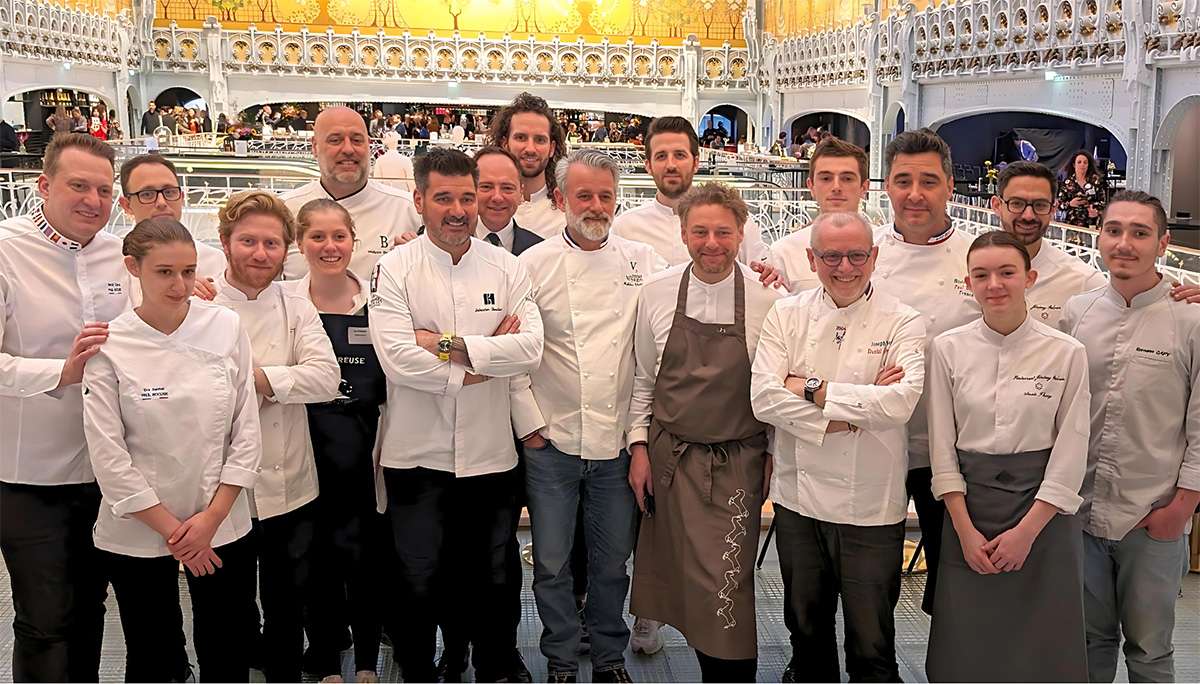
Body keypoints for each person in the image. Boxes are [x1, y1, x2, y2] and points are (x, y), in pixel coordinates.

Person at [369, 148, 544, 682]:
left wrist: (441, 345)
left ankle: (492, 664)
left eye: (466, 198)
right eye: (444, 198)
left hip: (490, 455)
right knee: (418, 575)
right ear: (419, 200)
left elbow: (531, 348)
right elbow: (397, 360)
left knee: (490, 572)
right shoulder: (394, 269)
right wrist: (478, 362)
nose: (458, 209)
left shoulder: (509, 267)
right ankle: (419, 669)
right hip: (415, 454)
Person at [512, 149, 668, 683]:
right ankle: (559, 659)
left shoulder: (643, 262)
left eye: (605, 195)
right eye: (584, 196)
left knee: (609, 563)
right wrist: (528, 422)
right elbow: (512, 352)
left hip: (618, 443)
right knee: (552, 563)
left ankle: (606, 659)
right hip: (551, 441)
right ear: (560, 200)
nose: (596, 206)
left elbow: (659, 344)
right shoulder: (529, 267)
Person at [82, 217, 261, 682]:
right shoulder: (110, 343)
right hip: (139, 531)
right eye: (164, 272)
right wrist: (178, 534)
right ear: (132, 268)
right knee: (153, 653)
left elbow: (246, 431)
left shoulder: (224, 326)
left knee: (226, 649)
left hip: (221, 522)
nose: (180, 285)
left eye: (188, 271)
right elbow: (108, 454)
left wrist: (210, 521)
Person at [751, 211, 926, 682]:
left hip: (871, 503)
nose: (844, 266)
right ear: (812, 258)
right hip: (798, 500)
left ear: (873, 257)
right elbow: (763, 397)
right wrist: (848, 418)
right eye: (831, 256)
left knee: (872, 642)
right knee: (806, 631)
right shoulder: (786, 313)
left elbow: (899, 404)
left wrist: (808, 388)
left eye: (855, 256)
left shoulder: (903, 320)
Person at [628, 182, 784, 682]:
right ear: (683, 233)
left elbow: (777, 389)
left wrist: (774, 454)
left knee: (727, 584)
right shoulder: (655, 293)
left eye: (722, 231)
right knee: (681, 576)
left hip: (737, 460)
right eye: (700, 231)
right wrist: (638, 448)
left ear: (741, 234)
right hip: (671, 459)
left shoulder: (768, 298)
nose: (711, 242)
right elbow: (643, 380)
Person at [925, 230, 1089, 681]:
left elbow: (1071, 452)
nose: (994, 283)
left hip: (1045, 517)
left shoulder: (1066, 352)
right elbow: (942, 449)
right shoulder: (948, 349)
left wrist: (1027, 532)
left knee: (1044, 645)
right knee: (967, 645)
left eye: (1006, 272)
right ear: (969, 284)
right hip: (970, 513)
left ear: (1029, 277)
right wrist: (964, 530)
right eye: (981, 275)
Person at [1060, 191, 1200, 682]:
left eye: (1140, 233)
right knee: (1086, 642)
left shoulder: (1191, 319)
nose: (1125, 243)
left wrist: (1180, 509)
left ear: (1163, 243)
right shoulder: (1075, 313)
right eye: (1114, 230)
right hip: (1080, 513)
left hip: (1152, 514)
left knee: (1150, 651)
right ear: (1099, 237)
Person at [0, 133, 126, 682]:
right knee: (45, 619)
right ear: (43, 185)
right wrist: (60, 371)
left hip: (105, 472)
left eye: (103, 189)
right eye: (78, 186)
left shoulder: (119, 253)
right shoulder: (6, 250)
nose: (92, 200)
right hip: (30, 475)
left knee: (91, 610)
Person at [211, 190, 340, 682]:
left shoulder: (296, 303)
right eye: (248, 241)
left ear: (286, 249)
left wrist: (255, 381)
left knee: (288, 604)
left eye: (271, 243)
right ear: (225, 242)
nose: (260, 254)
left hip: (291, 485)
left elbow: (326, 378)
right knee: (229, 608)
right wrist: (283, 378)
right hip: (222, 490)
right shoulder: (199, 304)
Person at [430, 145, 539, 684]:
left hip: (511, 432)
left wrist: (446, 347)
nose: (493, 199)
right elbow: (405, 351)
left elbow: (530, 349)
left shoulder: (531, 257)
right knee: (448, 556)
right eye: (482, 189)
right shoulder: (419, 254)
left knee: (498, 560)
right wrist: (485, 350)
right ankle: (453, 651)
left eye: (505, 188)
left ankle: (500, 654)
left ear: (522, 194)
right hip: (433, 432)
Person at [870, 128, 979, 630]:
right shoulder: (862, 254)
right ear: (887, 187)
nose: (915, 193)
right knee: (868, 574)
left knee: (953, 574)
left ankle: (952, 664)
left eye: (928, 181)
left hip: (952, 450)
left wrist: (1174, 291)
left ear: (950, 187)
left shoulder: (979, 258)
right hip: (876, 443)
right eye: (903, 181)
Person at [284, 199, 387, 684]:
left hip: (365, 452)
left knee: (365, 557)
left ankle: (367, 658)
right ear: (300, 244)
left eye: (338, 237)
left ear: (353, 241)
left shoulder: (379, 301)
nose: (330, 247)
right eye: (318, 237)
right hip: (304, 450)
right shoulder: (286, 302)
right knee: (315, 558)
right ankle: (325, 657)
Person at [281, 106, 421, 279]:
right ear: (315, 147)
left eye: (356, 140)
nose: (348, 149)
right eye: (335, 140)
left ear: (369, 146)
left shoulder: (408, 210)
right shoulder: (283, 212)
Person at [612, 116, 769, 267]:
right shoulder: (624, 228)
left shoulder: (736, 223)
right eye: (661, 156)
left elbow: (763, 276)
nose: (671, 165)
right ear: (648, 165)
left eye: (679, 155)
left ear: (696, 163)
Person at [991, 161, 1108, 328]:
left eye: (1040, 205)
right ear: (997, 205)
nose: (1028, 215)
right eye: (1017, 203)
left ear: (1053, 209)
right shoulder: (966, 266)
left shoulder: (1084, 282)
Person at [766, 136, 871, 292]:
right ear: (811, 186)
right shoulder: (783, 252)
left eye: (847, 178)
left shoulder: (882, 244)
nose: (836, 187)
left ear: (864, 187)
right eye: (826, 178)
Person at [118, 154, 227, 288]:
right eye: (147, 194)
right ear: (127, 205)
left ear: (181, 198)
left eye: (169, 192)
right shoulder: (112, 261)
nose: (161, 203)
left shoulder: (213, 260)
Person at [487, 92, 567, 239]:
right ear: (505, 144)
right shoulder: (484, 207)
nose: (530, 148)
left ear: (552, 148)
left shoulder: (566, 215)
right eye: (521, 138)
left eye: (540, 140)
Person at [1057, 150, 1108, 230]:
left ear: (1088, 165)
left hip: (1091, 224)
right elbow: (1059, 204)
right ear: (1074, 165)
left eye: (1085, 162)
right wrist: (1070, 204)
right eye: (1079, 162)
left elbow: (1103, 203)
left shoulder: (1095, 181)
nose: (1082, 165)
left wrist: (1096, 211)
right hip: (1072, 224)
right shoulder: (1067, 183)